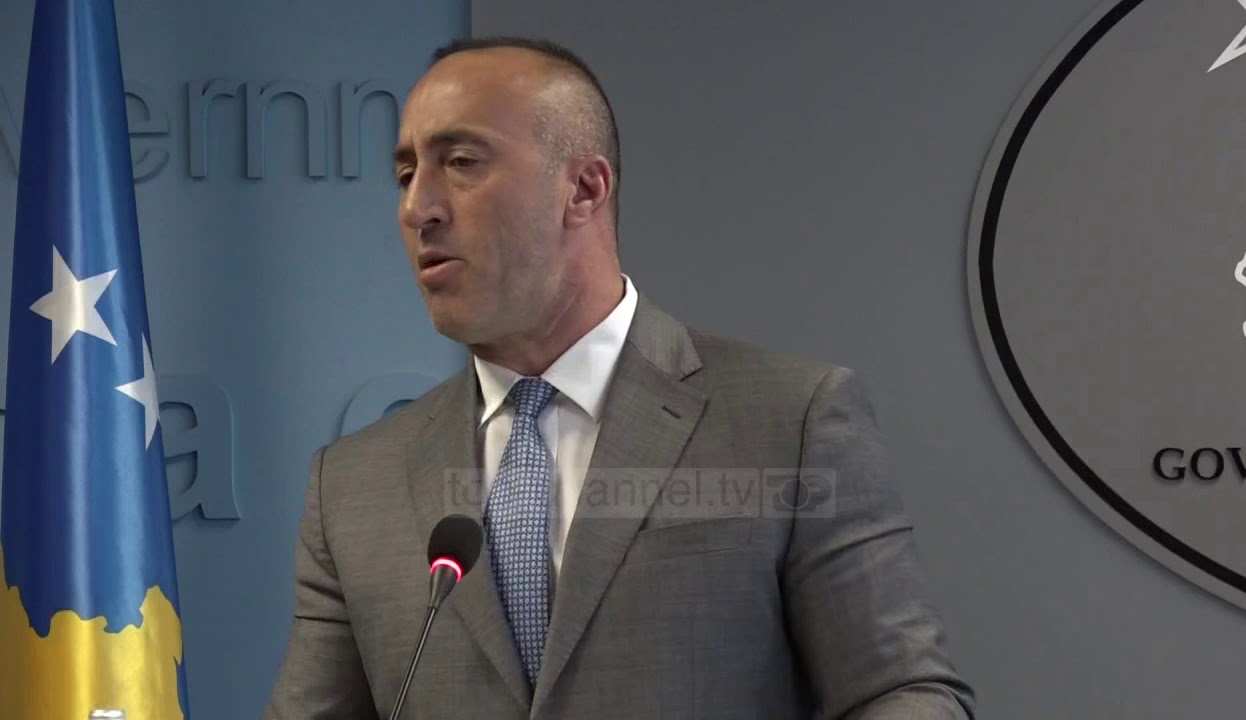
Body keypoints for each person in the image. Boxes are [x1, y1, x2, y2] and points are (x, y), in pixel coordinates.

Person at [264, 36, 976, 719]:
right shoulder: (351, 486)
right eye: (405, 175)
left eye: (461, 162)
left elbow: (905, 694)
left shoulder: (791, 423)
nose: (417, 207)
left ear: (583, 188)